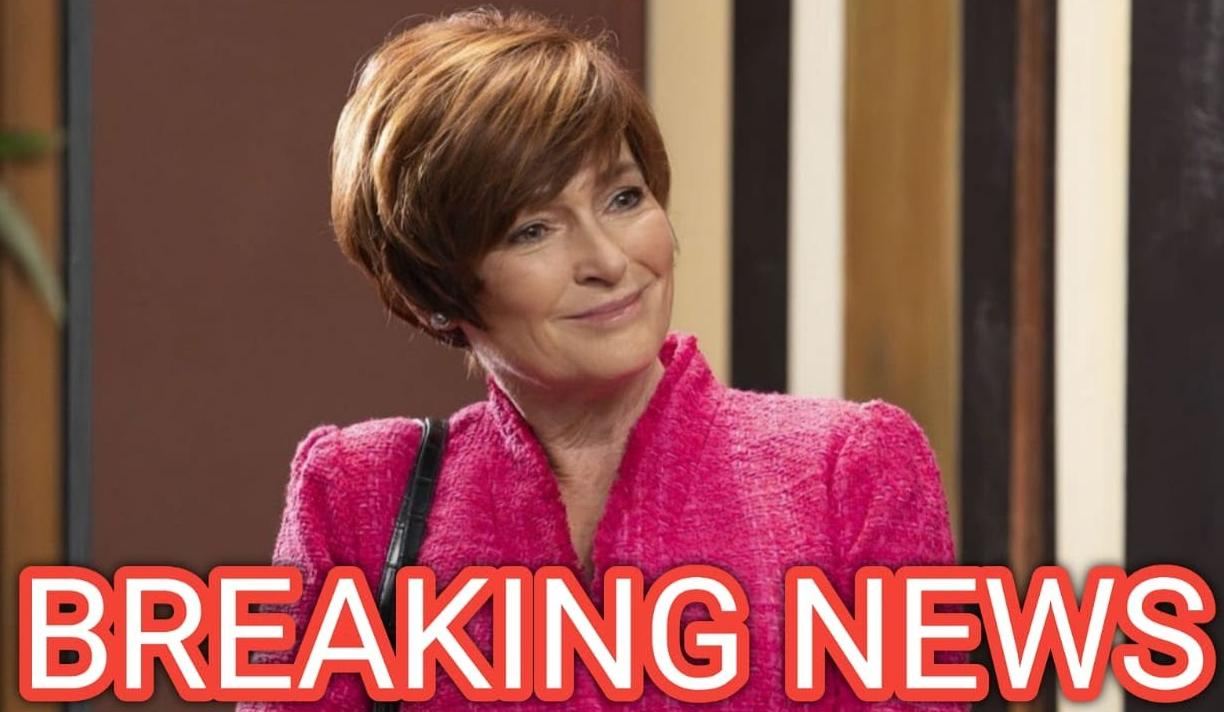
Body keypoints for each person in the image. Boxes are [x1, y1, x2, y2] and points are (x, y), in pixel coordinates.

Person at [238, 8, 962, 710]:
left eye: (623, 197)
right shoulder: (356, 496)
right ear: (434, 289)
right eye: (532, 230)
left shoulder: (847, 471)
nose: (609, 261)